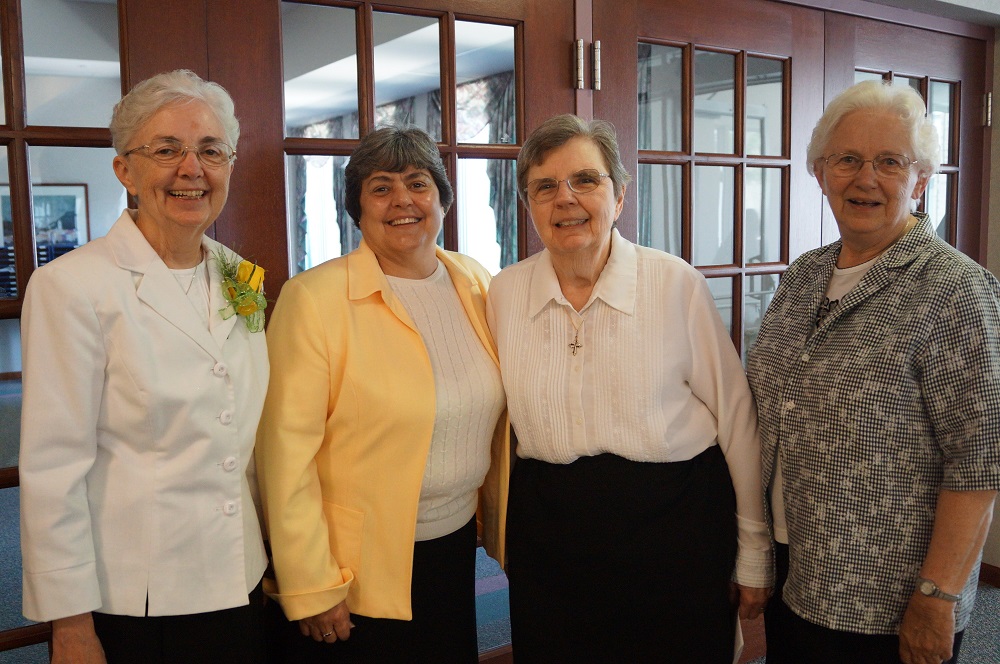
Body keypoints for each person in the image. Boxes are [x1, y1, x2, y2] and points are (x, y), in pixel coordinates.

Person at [486, 114, 772, 663]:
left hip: (675, 531)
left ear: (619, 196)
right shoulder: (504, 293)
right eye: (544, 187)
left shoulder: (675, 283)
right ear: (528, 206)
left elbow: (738, 422)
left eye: (585, 180)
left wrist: (753, 553)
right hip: (550, 539)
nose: (565, 199)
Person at [19, 69, 269, 663]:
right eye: (166, 150)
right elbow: (53, 467)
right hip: (139, 597)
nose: (192, 169)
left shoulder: (243, 275)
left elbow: (247, 425)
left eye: (211, 150)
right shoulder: (70, 287)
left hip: (242, 573)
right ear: (124, 169)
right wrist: (71, 626)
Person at [746, 79, 1000, 664]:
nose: (866, 178)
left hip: (886, 599)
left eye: (890, 162)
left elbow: (980, 461)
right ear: (820, 172)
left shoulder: (956, 290)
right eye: (847, 160)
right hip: (798, 569)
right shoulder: (805, 275)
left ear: (921, 178)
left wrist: (937, 598)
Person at [256, 125, 509, 663]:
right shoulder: (314, 299)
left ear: (442, 198)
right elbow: (284, 456)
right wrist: (311, 582)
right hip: (353, 567)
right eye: (380, 187)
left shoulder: (475, 281)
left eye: (418, 183)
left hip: (455, 545)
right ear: (357, 207)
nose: (402, 201)